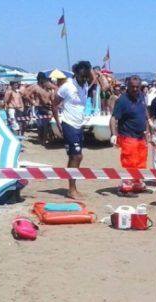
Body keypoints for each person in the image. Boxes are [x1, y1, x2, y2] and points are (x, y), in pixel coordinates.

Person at [52, 61, 104, 199]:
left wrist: (90, 68)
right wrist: (58, 123)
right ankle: (71, 189)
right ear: (76, 74)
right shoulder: (67, 86)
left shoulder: (85, 85)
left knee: (73, 157)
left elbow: (94, 79)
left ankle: (72, 188)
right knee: (77, 156)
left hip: (79, 125)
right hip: (69, 124)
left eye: (85, 76)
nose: (84, 78)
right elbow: (54, 104)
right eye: (81, 76)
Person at [109, 76, 150, 195]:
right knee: (130, 162)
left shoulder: (141, 96)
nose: (135, 89)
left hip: (141, 136)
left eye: (137, 87)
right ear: (127, 86)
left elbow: (144, 110)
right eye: (132, 87)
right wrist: (113, 134)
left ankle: (137, 184)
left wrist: (149, 124)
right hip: (128, 136)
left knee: (141, 161)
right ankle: (126, 187)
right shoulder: (122, 100)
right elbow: (113, 118)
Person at [24, 72, 56, 145]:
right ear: (39, 79)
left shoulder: (48, 86)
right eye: (43, 79)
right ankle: (41, 139)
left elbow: (55, 91)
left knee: (46, 125)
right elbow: (26, 94)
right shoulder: (35, 87)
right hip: (39, 107)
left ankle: (44, 140)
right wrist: (33, 102)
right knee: (40, 125)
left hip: (48, 107)